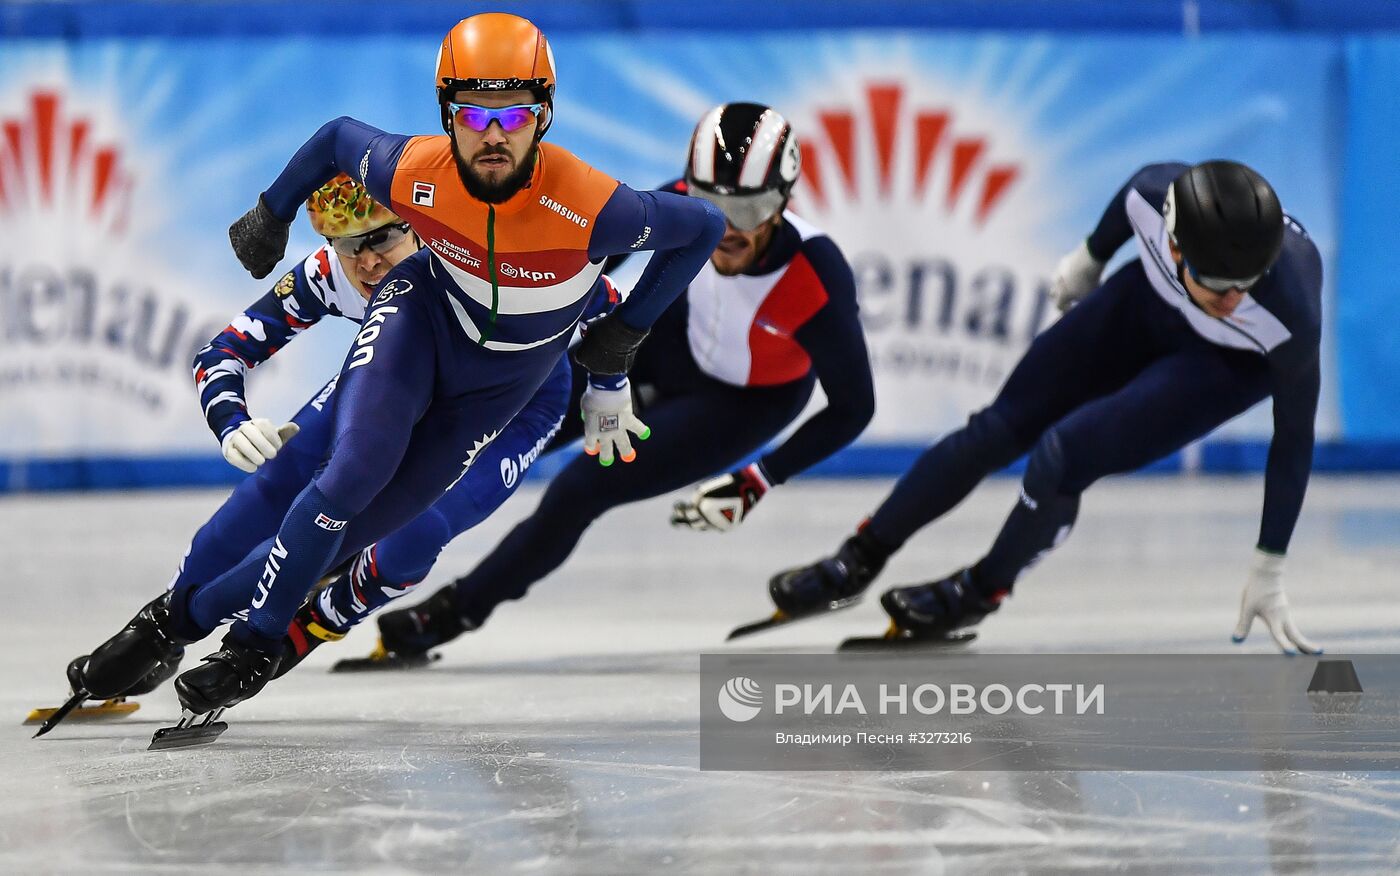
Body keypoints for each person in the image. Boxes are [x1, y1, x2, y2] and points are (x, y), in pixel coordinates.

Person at [54, 12, 725, 737]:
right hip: (421, 330)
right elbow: (334, 144)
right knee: (329, 484)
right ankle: (176, 622)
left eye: (513, 115)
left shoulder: (589, 210)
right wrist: (269, 218)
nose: (366, 263)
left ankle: (279, 636)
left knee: (404, 533)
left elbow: (693, 237)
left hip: (510, 393)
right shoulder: (368, 234)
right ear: (447, 117)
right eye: (472, 115)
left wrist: (614, 362)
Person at [344, 101, 875, 663]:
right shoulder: (681, 205)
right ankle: (332, 551)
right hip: (659, 347)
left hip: (741, 404)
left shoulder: (816, 274)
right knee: (485, 427)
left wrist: (760, 477)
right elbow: (590, 252)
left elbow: (854, 407)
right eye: (711, 205)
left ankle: (455, 611)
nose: (727, 227)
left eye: (751, 209)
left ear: (785, 200)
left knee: (579, 490)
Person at [767, 160, 1322, 654]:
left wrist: (1269, 563)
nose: (1232, 299)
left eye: (1245, 284)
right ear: (1174, 244)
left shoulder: (1289, 313)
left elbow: (1293, 438)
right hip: (1146, 304)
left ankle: (981, 589)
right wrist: (1090, 256)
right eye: (1216, 281)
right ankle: (860, 555)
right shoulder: (1152, 196)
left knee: (1063, 455)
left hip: (1224, 367)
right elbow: (1131, 189)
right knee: (995, 429)